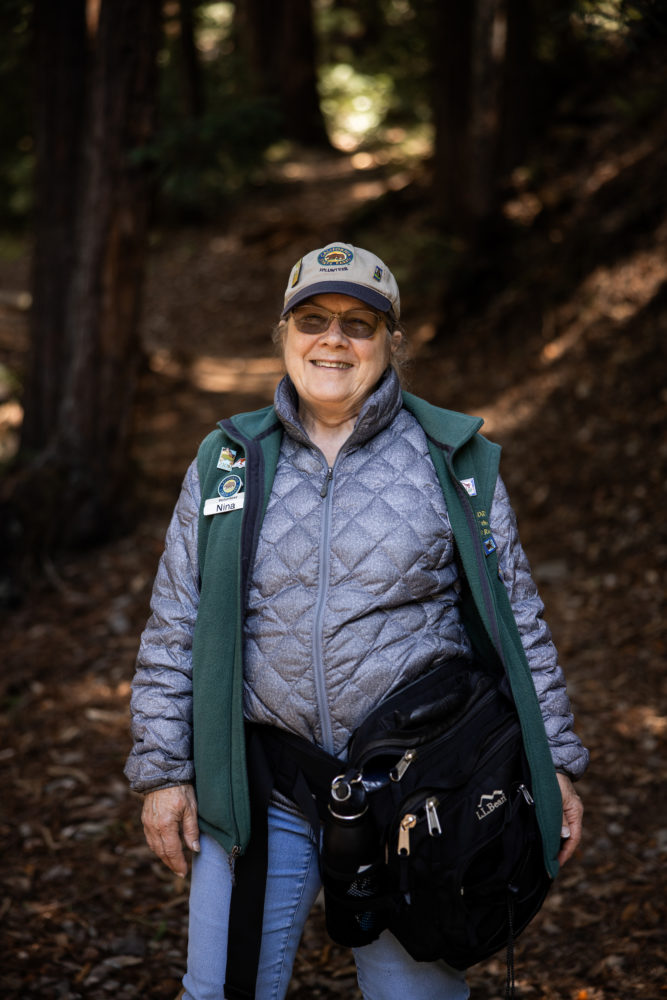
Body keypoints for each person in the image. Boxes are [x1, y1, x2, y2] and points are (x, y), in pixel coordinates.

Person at [125, 242, 588, 1000]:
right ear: (282, 334)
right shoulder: (227, 461)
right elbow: (176, 621)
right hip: (262, 782)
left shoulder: (451, 459)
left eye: (358, 323)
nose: (332, 340)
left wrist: (556, 762)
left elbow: (517, 621)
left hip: (416, 791)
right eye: (312, 319)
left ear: (390, 343)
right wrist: (164, 772)